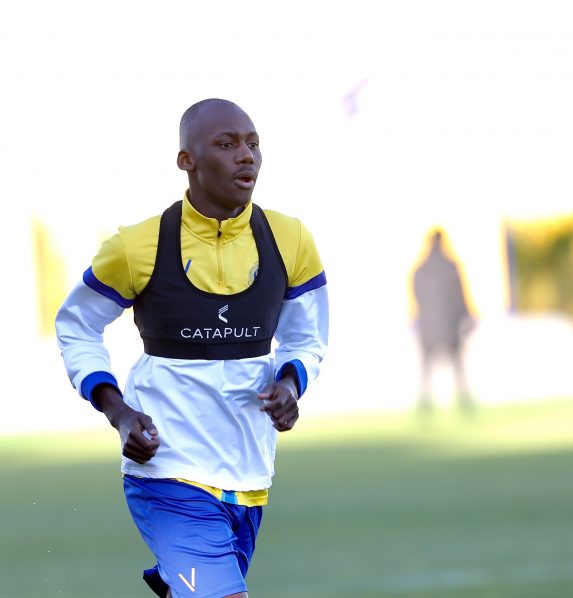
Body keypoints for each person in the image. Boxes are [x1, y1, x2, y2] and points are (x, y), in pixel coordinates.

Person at [55, 98, 329, 598]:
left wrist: (291, 384)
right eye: (226, 144)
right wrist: (119, 412)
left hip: (249, 474)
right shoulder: (135, 247)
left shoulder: (290, 240)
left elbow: (306, 336)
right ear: (187, 160)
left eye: (253, 144)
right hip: (166, 471)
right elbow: (76, 326)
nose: (245, 155)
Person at [412, 229, 474, 411]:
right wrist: (465, 316)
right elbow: (459, 297)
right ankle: (460, 398)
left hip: (430, 328)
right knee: (455, 365)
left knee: (429, 367)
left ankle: (428, 400)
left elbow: (417, 297)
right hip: (447, 327)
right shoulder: (450, 268)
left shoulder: (421, 270)